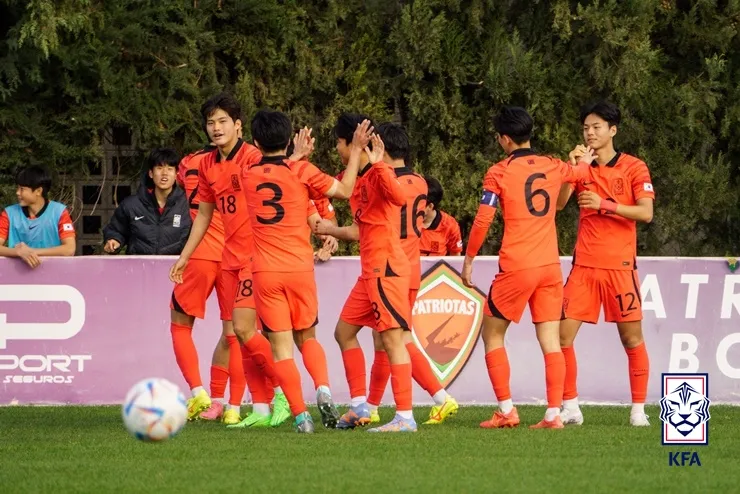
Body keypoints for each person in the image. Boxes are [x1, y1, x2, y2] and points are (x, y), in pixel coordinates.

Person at [461, 106, 592, 429]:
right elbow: (578, 176)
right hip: (550, 266)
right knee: (550, 340)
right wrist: (582, 162)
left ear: (505, 139)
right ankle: (553, 414)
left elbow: (483, 219)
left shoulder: (499, 172)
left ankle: (507, 410)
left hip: (518, 265)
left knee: (492, 334)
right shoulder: (554, 165)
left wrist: (469, 257)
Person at [241, 110, 366, 433]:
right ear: (288, 139)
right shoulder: (303, 171)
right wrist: (354, 154)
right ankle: (323, 388)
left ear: (255, 142)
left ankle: (301, 416)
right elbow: (345, 190)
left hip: (265, 272)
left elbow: (271, 170)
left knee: (281, 348)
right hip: (299, 268)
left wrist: (293, 156)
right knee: (307, 336)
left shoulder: (246, 173)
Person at [314, 113, 416, 433]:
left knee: (392, 340)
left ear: (351, 144)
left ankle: (405, 417)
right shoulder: (355, 180)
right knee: (344, 333)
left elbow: (400, 198)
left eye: (339, 142)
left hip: (385, 267)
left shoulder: (376, 172)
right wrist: (330, 229)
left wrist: (378, 164)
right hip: (369, 270)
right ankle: (360, 406)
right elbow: (361, 230)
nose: (337, 148)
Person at [556, 101, 654, 427]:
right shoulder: (581, 167)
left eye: (597, 127)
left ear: (613, 130)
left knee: (632, 339)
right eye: (586, 127)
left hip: (620, 267)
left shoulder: (634, 167)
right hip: (584, 267)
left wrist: (606, 205)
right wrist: (571, 171)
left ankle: (638, 410)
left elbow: (645, 213)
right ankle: (571, 407)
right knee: (561, 337)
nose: (590, 132)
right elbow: (558, 206)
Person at [363, 123, 459, 425]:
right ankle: (372, 405)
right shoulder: (419, 181)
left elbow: (377, 218)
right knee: (387, 338)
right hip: (410, 267)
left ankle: (430, 402)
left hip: (391, 266)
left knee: (396, 339)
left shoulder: (386, 181)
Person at [169, 142, 249, 423]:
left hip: (200, 253)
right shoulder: (238, 162)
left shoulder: (190, 162)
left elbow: (182, 179)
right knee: (234, 333)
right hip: (232, 255)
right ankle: (231, 407)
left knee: (180, 324)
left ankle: (200, 393)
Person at [103, 148, 191, 255]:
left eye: (170, 169)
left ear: (177, 173)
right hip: (139, 268)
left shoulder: (188, 205)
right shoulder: (132, 205)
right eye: (159, 168)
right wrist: (114, 240)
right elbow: (116, 230)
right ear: (151, 173)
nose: (164, 173)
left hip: (175, 269)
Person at [0, 165, 76, 266]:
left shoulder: (59, 212)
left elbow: (69, 249)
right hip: (17, 276)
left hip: (54, 273)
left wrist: (31, 252)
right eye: (17, 188)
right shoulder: (9, 213)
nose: (17, 193)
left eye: (22, 189)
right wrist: (18, 252)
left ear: (38, 191)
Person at [419, 176, 463, 256]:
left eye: (417, 202)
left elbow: (456, 256)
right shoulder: (403, 220)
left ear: (430, 206)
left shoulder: (450, 225)